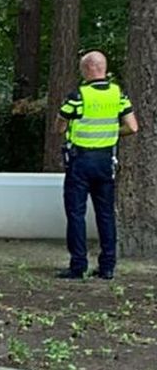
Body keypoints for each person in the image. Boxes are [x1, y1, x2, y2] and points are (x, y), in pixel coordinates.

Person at [55, 51, 139, 280]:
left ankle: (78, 265)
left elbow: (60, 126)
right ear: (103, 68)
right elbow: (132, 127)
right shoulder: (118, 94)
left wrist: (68, 126)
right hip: (105, 162)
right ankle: (108, 266)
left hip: (80, 161)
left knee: (76, 213)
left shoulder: (78, 96)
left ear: (88, 69)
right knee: (105, 214)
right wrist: (112, 133)